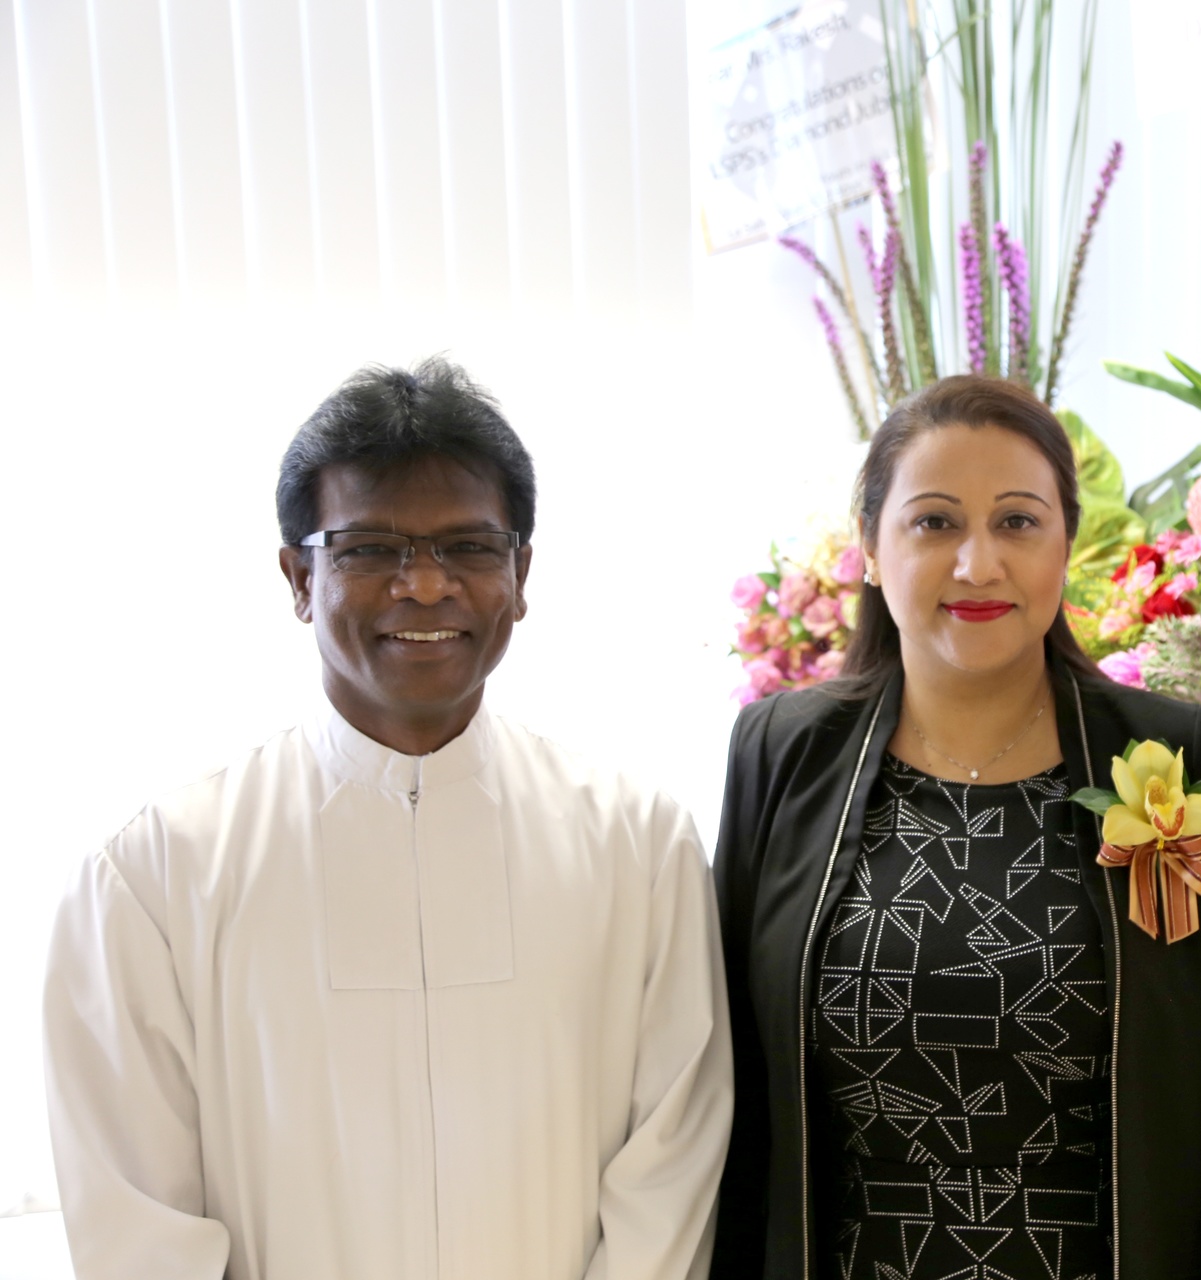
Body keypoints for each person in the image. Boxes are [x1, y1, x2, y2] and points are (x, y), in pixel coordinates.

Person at [43, 358, 732, 1280]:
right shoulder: (158, 877)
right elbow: (136, 1223)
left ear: (521, 575)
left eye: (469, 548)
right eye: (370, 549)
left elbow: (672, 1168)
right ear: (299, 577)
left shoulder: (638, 847)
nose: (425, 586)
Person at [710, 375, 1201, 1280]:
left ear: (1067, 543)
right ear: (870, 548)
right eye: (934, 522)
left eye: (1018, 522)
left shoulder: (1181, 762)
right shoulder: (783, 754)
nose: (978, 564)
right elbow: (729, 1094)